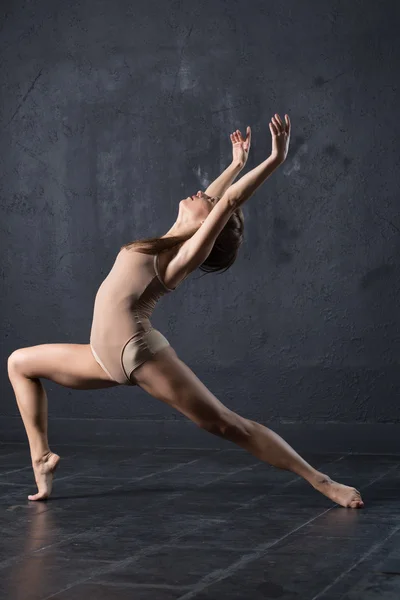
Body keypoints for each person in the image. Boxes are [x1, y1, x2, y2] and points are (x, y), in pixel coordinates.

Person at [7, 113, 364, 509]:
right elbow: (215, 199)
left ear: (209, 223)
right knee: (19, 363)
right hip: (100, 357)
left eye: (208, 203)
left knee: (229, 425)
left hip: (137, 353)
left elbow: (226, 202)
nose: (202, 193)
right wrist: (234, 164)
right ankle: (42, 460)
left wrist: (275, 159)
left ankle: (322, 481)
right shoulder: (168, 237)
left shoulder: (181, 257)